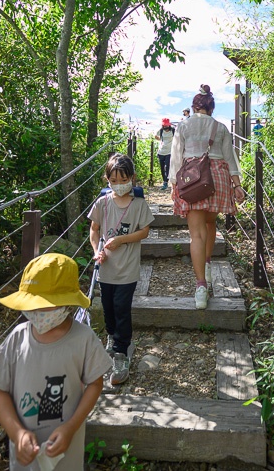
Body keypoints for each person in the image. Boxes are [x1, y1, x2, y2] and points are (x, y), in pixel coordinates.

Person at [0, 253, 113, 471]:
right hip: (24, 458)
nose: (34, 312)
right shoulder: (17, 339)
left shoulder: (83, 339)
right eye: (31, 304)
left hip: (66, 456)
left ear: (66, 304)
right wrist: (17, 433)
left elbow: (95, 384)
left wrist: (70, 427)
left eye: (42, 305)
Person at [169, 84, 246, 310]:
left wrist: (174, 183)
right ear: (211, 108)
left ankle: (201, 286)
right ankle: (208, 263)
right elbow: (230, 158)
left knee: (196, 234)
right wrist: (237, 185)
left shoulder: (183, 126)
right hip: (217, 179)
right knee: (211, 223)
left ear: (194, 107)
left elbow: (176, 157)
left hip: (192, 180)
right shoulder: (220, 128)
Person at [87, 153, 154, 386]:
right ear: (107, 179)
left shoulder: (139, 204)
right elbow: (94, 229)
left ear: (132, 178)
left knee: (121, 307)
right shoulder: (103, 203)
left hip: (127, 269)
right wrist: (97, 250)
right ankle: (112, 336)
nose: (118, 184)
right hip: (106, 267)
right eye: (113, 180)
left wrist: (122, 240)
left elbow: (144, 232)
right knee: (108, 307)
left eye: (122, 179)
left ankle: (121, 353)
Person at [155, 118, 176, 189]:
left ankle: (166, 182)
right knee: (162, 167)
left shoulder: (173, 130)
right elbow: (156, 136)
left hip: (169, 151)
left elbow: (178, 137)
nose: (165, 127)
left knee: (167, 166)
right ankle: (164, 181)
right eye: (164, 125)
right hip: (161, 151)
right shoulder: (161, 131)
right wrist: (160, 139)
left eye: (166, 125)